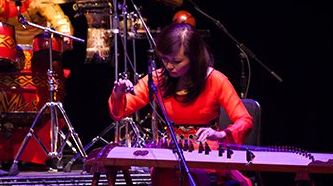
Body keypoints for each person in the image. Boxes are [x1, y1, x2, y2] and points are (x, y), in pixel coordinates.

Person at [108, 22, 253, 186]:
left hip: (207, 156)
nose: (169, 66)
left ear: (194, 58)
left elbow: (245, 120)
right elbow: (120, 111)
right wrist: (119, 94)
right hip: (171, 154)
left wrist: (222, 134)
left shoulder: (216, 80)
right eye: (164, 59)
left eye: (177, 61)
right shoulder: (158, 79)